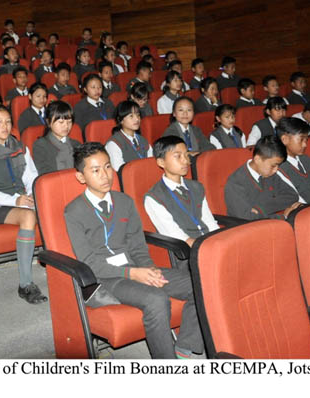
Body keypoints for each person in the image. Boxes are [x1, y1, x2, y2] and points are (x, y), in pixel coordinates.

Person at [64, 142, 205, 359]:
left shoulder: (124, 202)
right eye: (95, 170)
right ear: (81, 177)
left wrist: (149, 269)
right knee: (156, 299)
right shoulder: (73, 211)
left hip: (136, 267)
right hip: (106, 278)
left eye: (108, 167)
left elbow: (138, 245)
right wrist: (132, 274)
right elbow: (89, 262)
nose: (105, 175)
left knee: (200, 283)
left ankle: (185, 346)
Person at [0, 104, 46, 304]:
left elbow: (31, 176)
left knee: (53, 207)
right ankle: (25, 284)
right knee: (29, 216)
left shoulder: (20, 147)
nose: (4, 126)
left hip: (22, 198)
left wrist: (30, 194)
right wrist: (15, 200)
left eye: (7, 122)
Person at [144, 136, 219, 248]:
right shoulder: (154, 197)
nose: (186, 161)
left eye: (186, 155)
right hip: (186, 249)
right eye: (178, 156)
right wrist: (208, 248)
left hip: (208, 242)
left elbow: (209, 221)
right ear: (161, 162)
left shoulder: (197, 187)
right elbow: (175, 235)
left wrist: (220, 242)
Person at [224, 136, 301, 220]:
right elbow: (247, 218)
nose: (276, 170)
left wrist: (260, 209)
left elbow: (292, 195)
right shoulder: (236, 182)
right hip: (249, 226)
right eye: (273, 166)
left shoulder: (270, 174)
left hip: (269, 222)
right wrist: (283, 217)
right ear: (257, 159)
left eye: (278, 166)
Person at [275, 117, 310, 204]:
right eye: (301, 140)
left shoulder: (306, 159)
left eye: (306, 140)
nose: (305, 145)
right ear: (285, 139)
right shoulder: (278, 168)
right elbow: (297, 199)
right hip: (305, 208)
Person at [32, 100, 81, 175]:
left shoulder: (76, 144)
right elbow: (45, 174)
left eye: (69, 122)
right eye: (61, 122)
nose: (66, 126)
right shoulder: (40, 145)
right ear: (48, 122)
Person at [105, 101, 153, 171]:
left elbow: (152, 163)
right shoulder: (114, 144)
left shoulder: (143, 140)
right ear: (120, 120)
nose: (137, 119)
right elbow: (120, 171)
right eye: (131, 116)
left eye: (138, 115)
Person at [73, 73, 116, 140]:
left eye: (100, 87)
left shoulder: (108, 103)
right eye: (93, 87)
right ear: (85, 89)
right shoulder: (79, 107)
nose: (97, 90)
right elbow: (79, 131)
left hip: (112, 138)